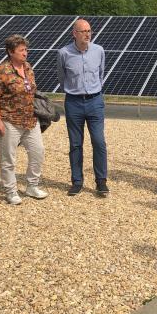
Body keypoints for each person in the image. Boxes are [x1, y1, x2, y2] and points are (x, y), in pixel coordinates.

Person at [0, 34, 47, 205]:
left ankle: (32, 186)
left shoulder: (28, 67)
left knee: (38, 152)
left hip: (30, 120)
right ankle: (11, 191)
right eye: (21, 50)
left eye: (26, 50)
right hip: (9, 121)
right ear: (10, 52)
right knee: (8, 158)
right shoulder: (2, 71)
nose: (25, 53)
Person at [57, 18, 109, 197]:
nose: (87, 34)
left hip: (95, 101)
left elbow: (101, 73)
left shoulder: (99, 51)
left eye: (89, 31)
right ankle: (77, 181)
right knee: (76, 144)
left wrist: (94, 91)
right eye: (83, 31)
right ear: (74, 33)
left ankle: (101, 181)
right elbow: (62, 78)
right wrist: (75, 91)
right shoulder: (64, 53)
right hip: (73, 102)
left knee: (99, 141)